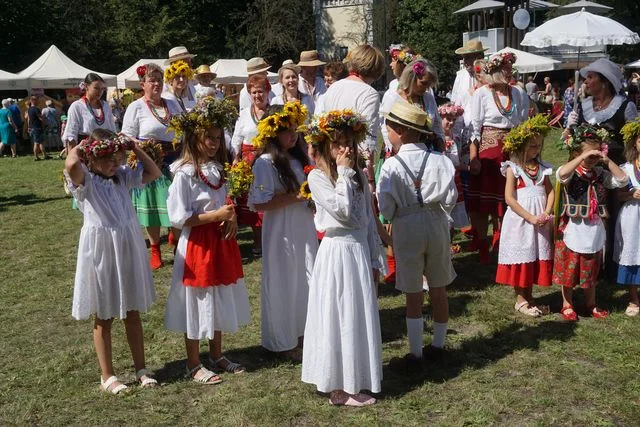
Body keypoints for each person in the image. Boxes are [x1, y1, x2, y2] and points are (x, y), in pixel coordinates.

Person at [63, 129, 161, 394]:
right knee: (104, 313)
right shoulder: (86, 182)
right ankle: (107, 375)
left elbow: (154, 172)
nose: (113, 163)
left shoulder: (122, 178)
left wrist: (133, 147)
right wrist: (85, 146)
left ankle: (141, 367)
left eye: (117, 157)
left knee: (132, 311)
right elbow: (71, 164)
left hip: (127, 246)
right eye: (107, 158)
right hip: (103, 251)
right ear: (92, 159)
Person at [164, 97, 250, 383]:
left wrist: (232, 217)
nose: (213, 143)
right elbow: (179, 218)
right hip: (198, 246)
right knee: (196, 300)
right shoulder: (185, 174)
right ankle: (192, 362)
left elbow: (225, 201)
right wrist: (216, 216)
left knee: (218, 296)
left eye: (216, 138)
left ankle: (216, 353)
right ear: (194, 137)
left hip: (220, 243)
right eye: (207, 138)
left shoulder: (218, 169)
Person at [301, 109, 382, 406]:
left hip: (357, 251)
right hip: (338, 253)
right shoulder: (318, 179)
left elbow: (366, 218)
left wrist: (375, 256)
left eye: (349, 142)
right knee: (340, 314)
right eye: (338, 144)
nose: (345, 149)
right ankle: (340, 385)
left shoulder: (358, 174)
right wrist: (345, 172)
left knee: (355, 314)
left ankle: (353, 378)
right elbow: (344, 212)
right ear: (325, 146)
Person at [377, 101, 456, 372]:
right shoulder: (441, 160)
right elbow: (452, 197)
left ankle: (415, 353)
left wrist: (394, 214)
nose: (386, 132)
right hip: (436, 221)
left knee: (413, 290)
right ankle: (439, 345)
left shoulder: (391, 166)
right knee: (439, 285)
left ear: (400, 130)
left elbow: (385, 206)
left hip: (407, 224)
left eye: (388, 128)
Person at [248, 102, 318, 361]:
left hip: (302, 226)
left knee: (305, 276)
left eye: (295, 130)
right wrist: (295, 196)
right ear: (273, 133)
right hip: (281, 230)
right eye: (287, 131)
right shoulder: (265, 163)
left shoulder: (300, 158)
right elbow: (259, 202)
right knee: (284, 280)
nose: (293, 135)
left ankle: (303, 333)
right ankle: (282, 340)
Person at [553, 124, 628, 321]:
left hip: (594, 229)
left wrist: (606, 159)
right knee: (569, 269)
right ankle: (567, 304)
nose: (592, 159)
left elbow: (622, 180)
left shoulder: (601, 174)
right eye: (589, 155)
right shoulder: (572, 172)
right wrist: (580, 156)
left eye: (595, 154)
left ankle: (590, 303)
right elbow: (560, 175)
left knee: (591, 269)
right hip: (573, 228)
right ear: (577, 152)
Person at [122, 63, 183, 269]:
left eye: (159, 80)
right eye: (152, 80)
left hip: (175, 160)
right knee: (153, 209)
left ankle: (178, 247)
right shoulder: (136, 107)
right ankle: (155, 248)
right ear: (143, 84)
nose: (156, 84)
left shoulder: (172, 103)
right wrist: (139, 145)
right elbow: (126, 134)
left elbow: (183, 127)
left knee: (177, 204)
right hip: (149, 162)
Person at [468, 51, 527, 264]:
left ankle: (501, 241)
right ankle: (483, 244)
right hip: (488, 150)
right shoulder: (482, 93)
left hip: (511, 150)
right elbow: (474, 129)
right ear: (495, 70)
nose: (510, 71)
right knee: (485, 203)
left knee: (507, 198)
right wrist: (474, 158)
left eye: (511, 67)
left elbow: (522, 123)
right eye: (506, 68)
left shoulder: (518, 93)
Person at [495, 115, 554, 316]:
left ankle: (530, 296)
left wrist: (546, 212)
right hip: (521, 220)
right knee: (523, 256)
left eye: (538, 146)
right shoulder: (513, 168)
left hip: (540, 220)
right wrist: (530, 217)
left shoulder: (543, 168)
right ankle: (520, 298)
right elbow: (509, 198)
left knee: (535, 256)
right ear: (520, 146)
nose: (535, 150)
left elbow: (551, 191)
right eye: (531, 146)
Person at [231, 74, 272, 255]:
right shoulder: (244, 114)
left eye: (260, 91)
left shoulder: (275, 112)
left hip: (270, 159)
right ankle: (256, 240)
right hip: (248, 161)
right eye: (254, 92)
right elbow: (236, 138)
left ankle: (270, 239)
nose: (257, 96)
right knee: (251, 202)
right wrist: (236, 157)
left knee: (268, 197)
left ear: (268, 91)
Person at [380, 58, 445, 152]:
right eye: (423, 83)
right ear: (411, 77)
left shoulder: (428, 98)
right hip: (399, 151)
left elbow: (437, 125)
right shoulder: (392, 97)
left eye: (429, 85)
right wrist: (395, 149)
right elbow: (385, 127)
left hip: (427, 151)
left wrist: (441, 147)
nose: (426, 88)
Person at [614, 118, 640, 316]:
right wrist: (632, 194)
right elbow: (618, 196)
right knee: (632, 252)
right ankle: (633, 299)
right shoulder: (627, 168)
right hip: (632, 216)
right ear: (634, 143)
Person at [62, 74, 117, 149]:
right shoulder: (77, 106)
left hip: (106, 151)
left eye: (102, 89)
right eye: (96, 88)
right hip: (86, 150)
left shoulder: (105, 106)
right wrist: (72, 158)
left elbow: (112, 130)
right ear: (86, 86)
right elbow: (71, 135)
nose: (100, 92)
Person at [439, 103, 469, 230]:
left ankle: (450, 237)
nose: (451, 123)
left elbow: (457, 162)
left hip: (454, 178)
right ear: (440, 118)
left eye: (454, 120)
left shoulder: (455, 137)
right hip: (442, 177)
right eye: (448, 119)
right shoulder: (437, 138)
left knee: (453, 205)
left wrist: (467, 167)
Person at [26, 96, 48, 160]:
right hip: (37, 128)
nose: (38, 101)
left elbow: (28, 119)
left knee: (41, 142)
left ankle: (45, 155)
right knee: (37, 143)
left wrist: (28, 127)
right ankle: (36, 157)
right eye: (37, 100)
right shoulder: (36, 109)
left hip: (33, 128)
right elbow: (40, 118)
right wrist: (45, 123)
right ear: (33, 101)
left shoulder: (29, 109)